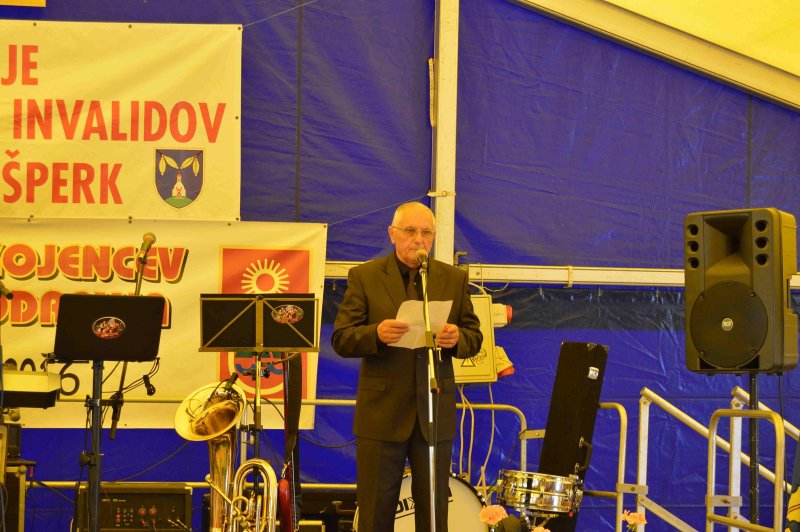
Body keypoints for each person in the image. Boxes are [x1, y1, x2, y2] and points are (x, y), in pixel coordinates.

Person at [332, 201, 483, 531]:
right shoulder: (365, 276)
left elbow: (475, 337)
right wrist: (376, 334)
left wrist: (458, 338)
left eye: (426, 232)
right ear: (392, 234)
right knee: (376, 511)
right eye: (411, 231)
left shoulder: (453, 278)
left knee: (434, 510)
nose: (419, 239)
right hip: (381, 412)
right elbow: (341, 338)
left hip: (434, 410)